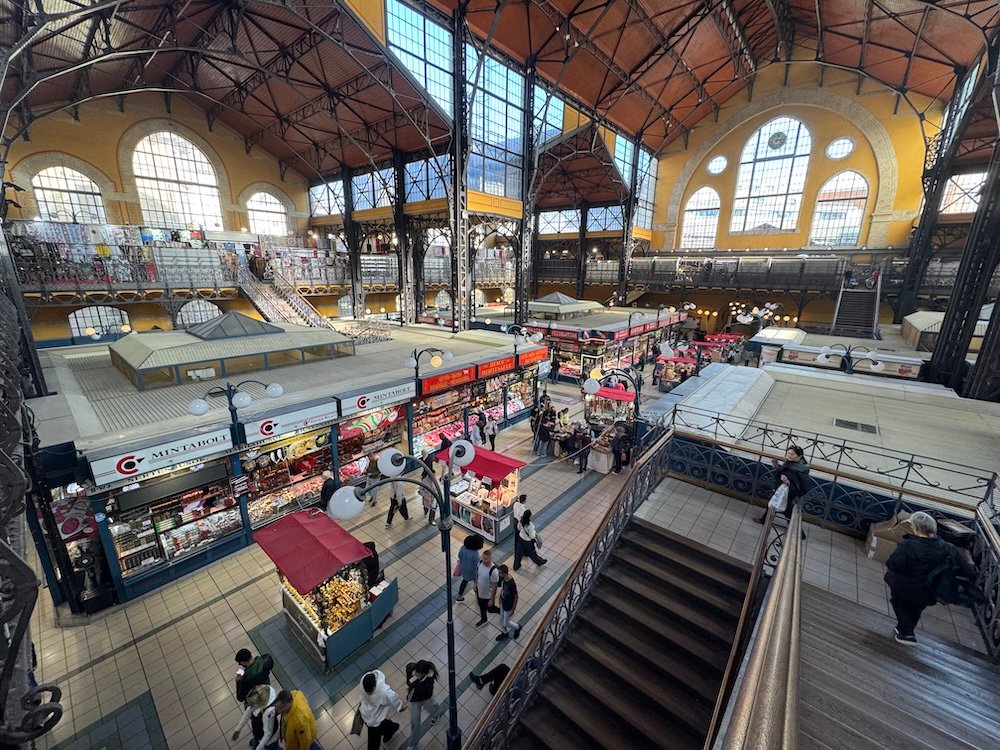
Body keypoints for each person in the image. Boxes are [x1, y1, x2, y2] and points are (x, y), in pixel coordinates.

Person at [884, 512, 977, 646]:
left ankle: (907, 633)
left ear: (915, 528)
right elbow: (966, 570)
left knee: (899, 604)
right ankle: (904, 629)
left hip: (904, 587)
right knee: (916, 609)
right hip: (929, 590)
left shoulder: (908, 545)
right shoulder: (948, 548)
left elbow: (894, 564)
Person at [756, 445, 810, 524]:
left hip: (790, 492)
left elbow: (800, 484)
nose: (789, 456)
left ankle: (798, 532)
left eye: (792, 454)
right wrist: (777, 467)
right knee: (775, 504)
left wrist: (787, 482)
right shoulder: (791, 463)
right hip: (783, 489)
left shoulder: (800, 469)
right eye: (788, 453)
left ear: (799, 456)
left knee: (786, 510)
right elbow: (783, 473)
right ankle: (764, 520)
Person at [235, 646, 274, 746]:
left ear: (243, 662)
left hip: (257, 703)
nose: (240, 665)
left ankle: (258, 741)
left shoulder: (245, 679)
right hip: (267, 692)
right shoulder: (265, 660)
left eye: (240, 663)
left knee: (258, 723)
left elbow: (240, 697)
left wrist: (238, 682)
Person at [359, 670, 406, 750]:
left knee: (373, 741)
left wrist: (399, 706)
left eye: (370, 692)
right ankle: (392, 728)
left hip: (375, 718)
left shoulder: (383, 690)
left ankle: (392, 728)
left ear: (374, 686)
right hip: (368, 713)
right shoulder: (365, 680)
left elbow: (393, 697)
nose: (368, 694)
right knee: (382, 725)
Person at [405, 661, 440, 749]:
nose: (416, 673)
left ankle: (436, 714)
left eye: (418, 673)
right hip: (415, 699)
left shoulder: (429, 680)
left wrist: (416, 683)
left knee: (431, 708)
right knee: (415, 722)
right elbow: (409, 682)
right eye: (416, 671)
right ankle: (412, 743)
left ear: (424, 673)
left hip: (425, 698)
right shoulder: (413, 671)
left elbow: (428, 693)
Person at [232, 684, 279, 750]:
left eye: (252, 704)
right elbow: (248, 712)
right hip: (259, 734)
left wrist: (259, 748)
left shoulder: (268, 713)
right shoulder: (255, 704)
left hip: (270, 741)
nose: (250, 706)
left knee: (272, 748)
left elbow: (268, 733)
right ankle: (256, 741)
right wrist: (238, 729)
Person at [495, 565, 521, 642]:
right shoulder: (503, 579)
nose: (498, 574)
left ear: (505, 574)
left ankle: (517, 627)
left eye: (500, 573)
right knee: (501, 618)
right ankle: (504, 632)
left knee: (506, 623)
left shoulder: (511, 584)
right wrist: (500, 597)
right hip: (503, 602)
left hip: (508, 605)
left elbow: (516, 596)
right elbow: (503, 588)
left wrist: (513, 609)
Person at [474, 550, 500, 626]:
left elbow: (495, 586)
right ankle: (484, 619)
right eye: (483, 558)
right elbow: (477, 574)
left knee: (490, 609)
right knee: (481, 606)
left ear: (490, 559)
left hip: (488, 595)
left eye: (486, 559)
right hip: (480, 591)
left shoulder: (494, 571)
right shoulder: (480, 563)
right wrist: (475, 584)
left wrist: (492, 600)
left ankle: (502, 611)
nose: (484, 560)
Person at [456, 535, 481, 601]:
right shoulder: (475, 555)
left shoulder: (463, 548)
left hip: (464, 569)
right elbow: (477, 568)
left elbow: (459, 556)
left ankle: (459, 597)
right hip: (473, 573)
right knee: (477, 586)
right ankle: (478, 599)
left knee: (464, 582)